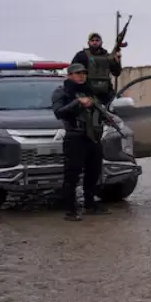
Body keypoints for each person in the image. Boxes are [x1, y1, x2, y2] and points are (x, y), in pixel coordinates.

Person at [52, 63, 111, 221]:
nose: (81, 76)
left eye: (84, 73)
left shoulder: (89, 90)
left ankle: (90, 203)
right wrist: (77, 102)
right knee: (72, 174)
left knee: (94, 171)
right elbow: (58, 112)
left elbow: (102, 105)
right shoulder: (62, 92)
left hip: (93, 136)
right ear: (69, 75)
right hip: (75, 136)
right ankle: (70, 209)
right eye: (78, 73)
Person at [70, 32, 122, 105]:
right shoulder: (82, 55)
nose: (94, 42)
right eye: (92, 40)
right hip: (87, 93)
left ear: (101, 42)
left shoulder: (108, 57)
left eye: (97, 40)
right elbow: (72, 72)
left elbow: (117, 73)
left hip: (106, 94)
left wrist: (117, 61)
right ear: (88, 42)